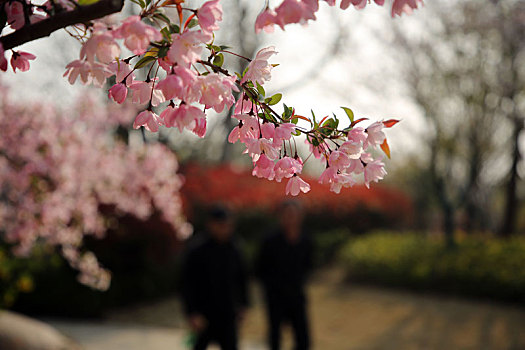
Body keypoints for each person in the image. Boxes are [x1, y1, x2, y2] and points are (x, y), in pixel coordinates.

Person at [181, 205, 249, 350]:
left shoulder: (234, 247)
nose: (225, 229)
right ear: (211, 224)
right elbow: (187, 283)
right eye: (221, 225)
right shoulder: (197, 249)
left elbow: (242, 278)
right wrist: (192, 312)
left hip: (228, 312)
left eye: (228, 225)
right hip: (204, 313)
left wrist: (243, 304)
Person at [256, 200, 313, 350]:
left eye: (294, 214)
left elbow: (308, 265)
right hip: (275, 297)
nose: (291, 218)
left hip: (297, 295)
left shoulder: (306, 239)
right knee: (275, 336)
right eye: (287, 214)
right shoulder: (270, 240)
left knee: (303, 337)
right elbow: (260, 269)